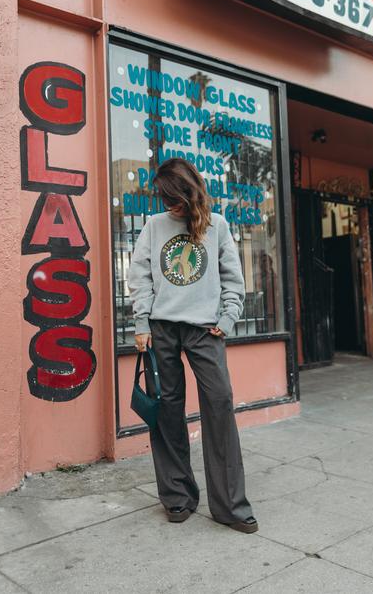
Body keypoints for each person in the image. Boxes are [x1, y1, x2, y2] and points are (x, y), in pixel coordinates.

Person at [127, 158, 258, 534]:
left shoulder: (216, 225)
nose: (170, 206)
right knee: (166, 409)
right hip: (162, 328)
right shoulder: (154, 226)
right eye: (165, 199)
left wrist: (228, 317)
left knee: (219, 403)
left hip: (205, 330)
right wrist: (141, 322)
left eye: (175, 199)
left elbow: (233, 276)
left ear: (190, 192)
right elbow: (139, 275)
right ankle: (178, 496)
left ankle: (230, 505)